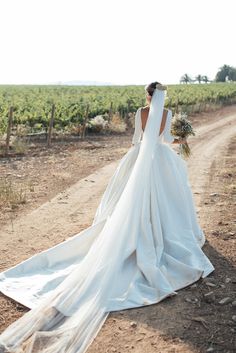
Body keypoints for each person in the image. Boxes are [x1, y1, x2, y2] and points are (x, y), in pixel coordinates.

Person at [0, 83, 214, 353]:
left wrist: (143, 148)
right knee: (167, 199)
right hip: (159, 160)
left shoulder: (139, 112)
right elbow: (163, 142)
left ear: (147, 96)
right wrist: (181, 140)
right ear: (161, 97)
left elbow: (137, 140)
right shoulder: (168, 113)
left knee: (125, 200)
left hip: (137, 158)